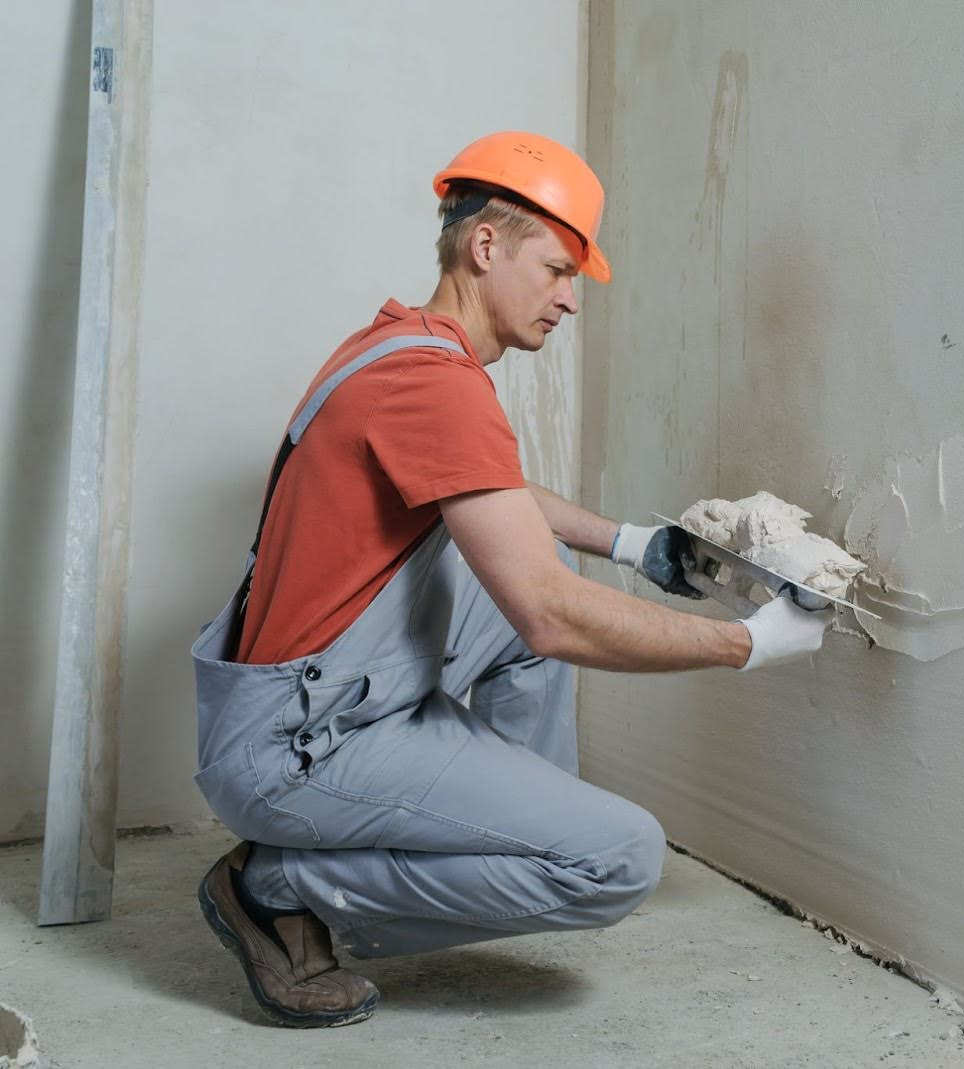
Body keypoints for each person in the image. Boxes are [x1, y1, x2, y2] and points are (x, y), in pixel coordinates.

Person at [190, 131, 829, 1028]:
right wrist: (747, 645)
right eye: (559, 269)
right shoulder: (438, 384)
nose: (571, 300)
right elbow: (547, 618)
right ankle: (281, 882)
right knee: (619, 858)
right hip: (296, 750)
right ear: (485, 247)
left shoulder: (399, 349)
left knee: (545, 560)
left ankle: (493, 827)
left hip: (304, 698)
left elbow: (488, 490)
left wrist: (630, 542)